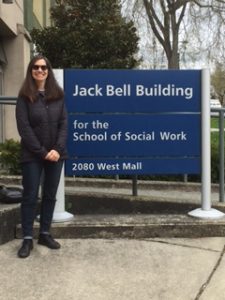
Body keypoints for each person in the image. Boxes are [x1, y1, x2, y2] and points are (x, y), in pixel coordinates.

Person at [16, 54, 68, 258]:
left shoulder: (58, 95)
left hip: (56, 154)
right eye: (36, 67)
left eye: (44, 67)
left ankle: (44, 233)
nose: (40, 70)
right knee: (30, 196)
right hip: (32, 155)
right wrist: (42, 152)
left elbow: (64, 124)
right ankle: (27, 238)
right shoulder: (24, 97)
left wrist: (57, 149)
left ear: (48, 70)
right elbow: (24, 128)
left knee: (49, 195)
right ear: (31, 71)